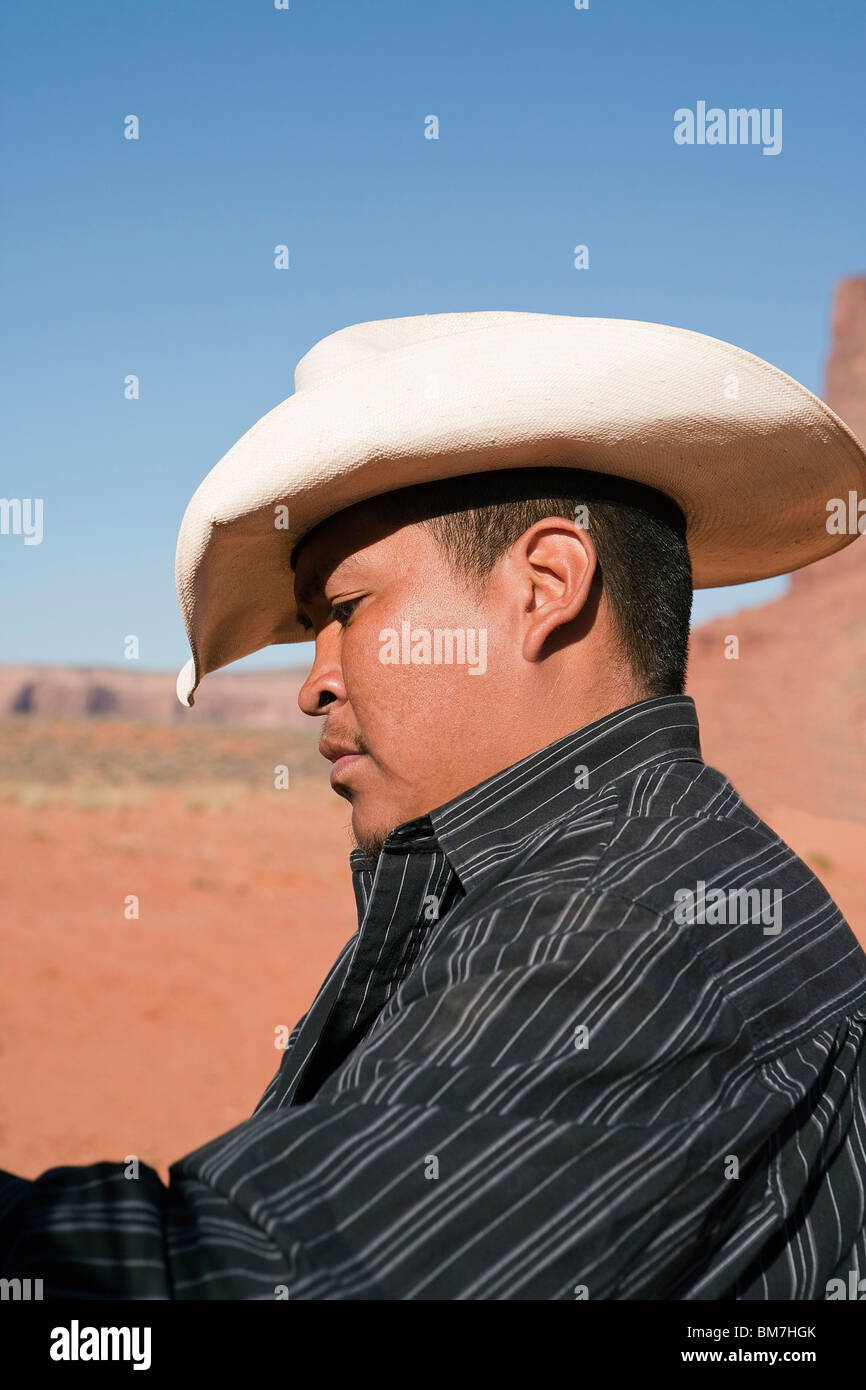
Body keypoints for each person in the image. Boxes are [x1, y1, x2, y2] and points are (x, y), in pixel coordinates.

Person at [3, 311, 866, 1299]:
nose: (311, 682)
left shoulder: (621, 924)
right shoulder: (620, 867)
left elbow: (244, 1284)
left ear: (545, 584)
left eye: (345, 611)